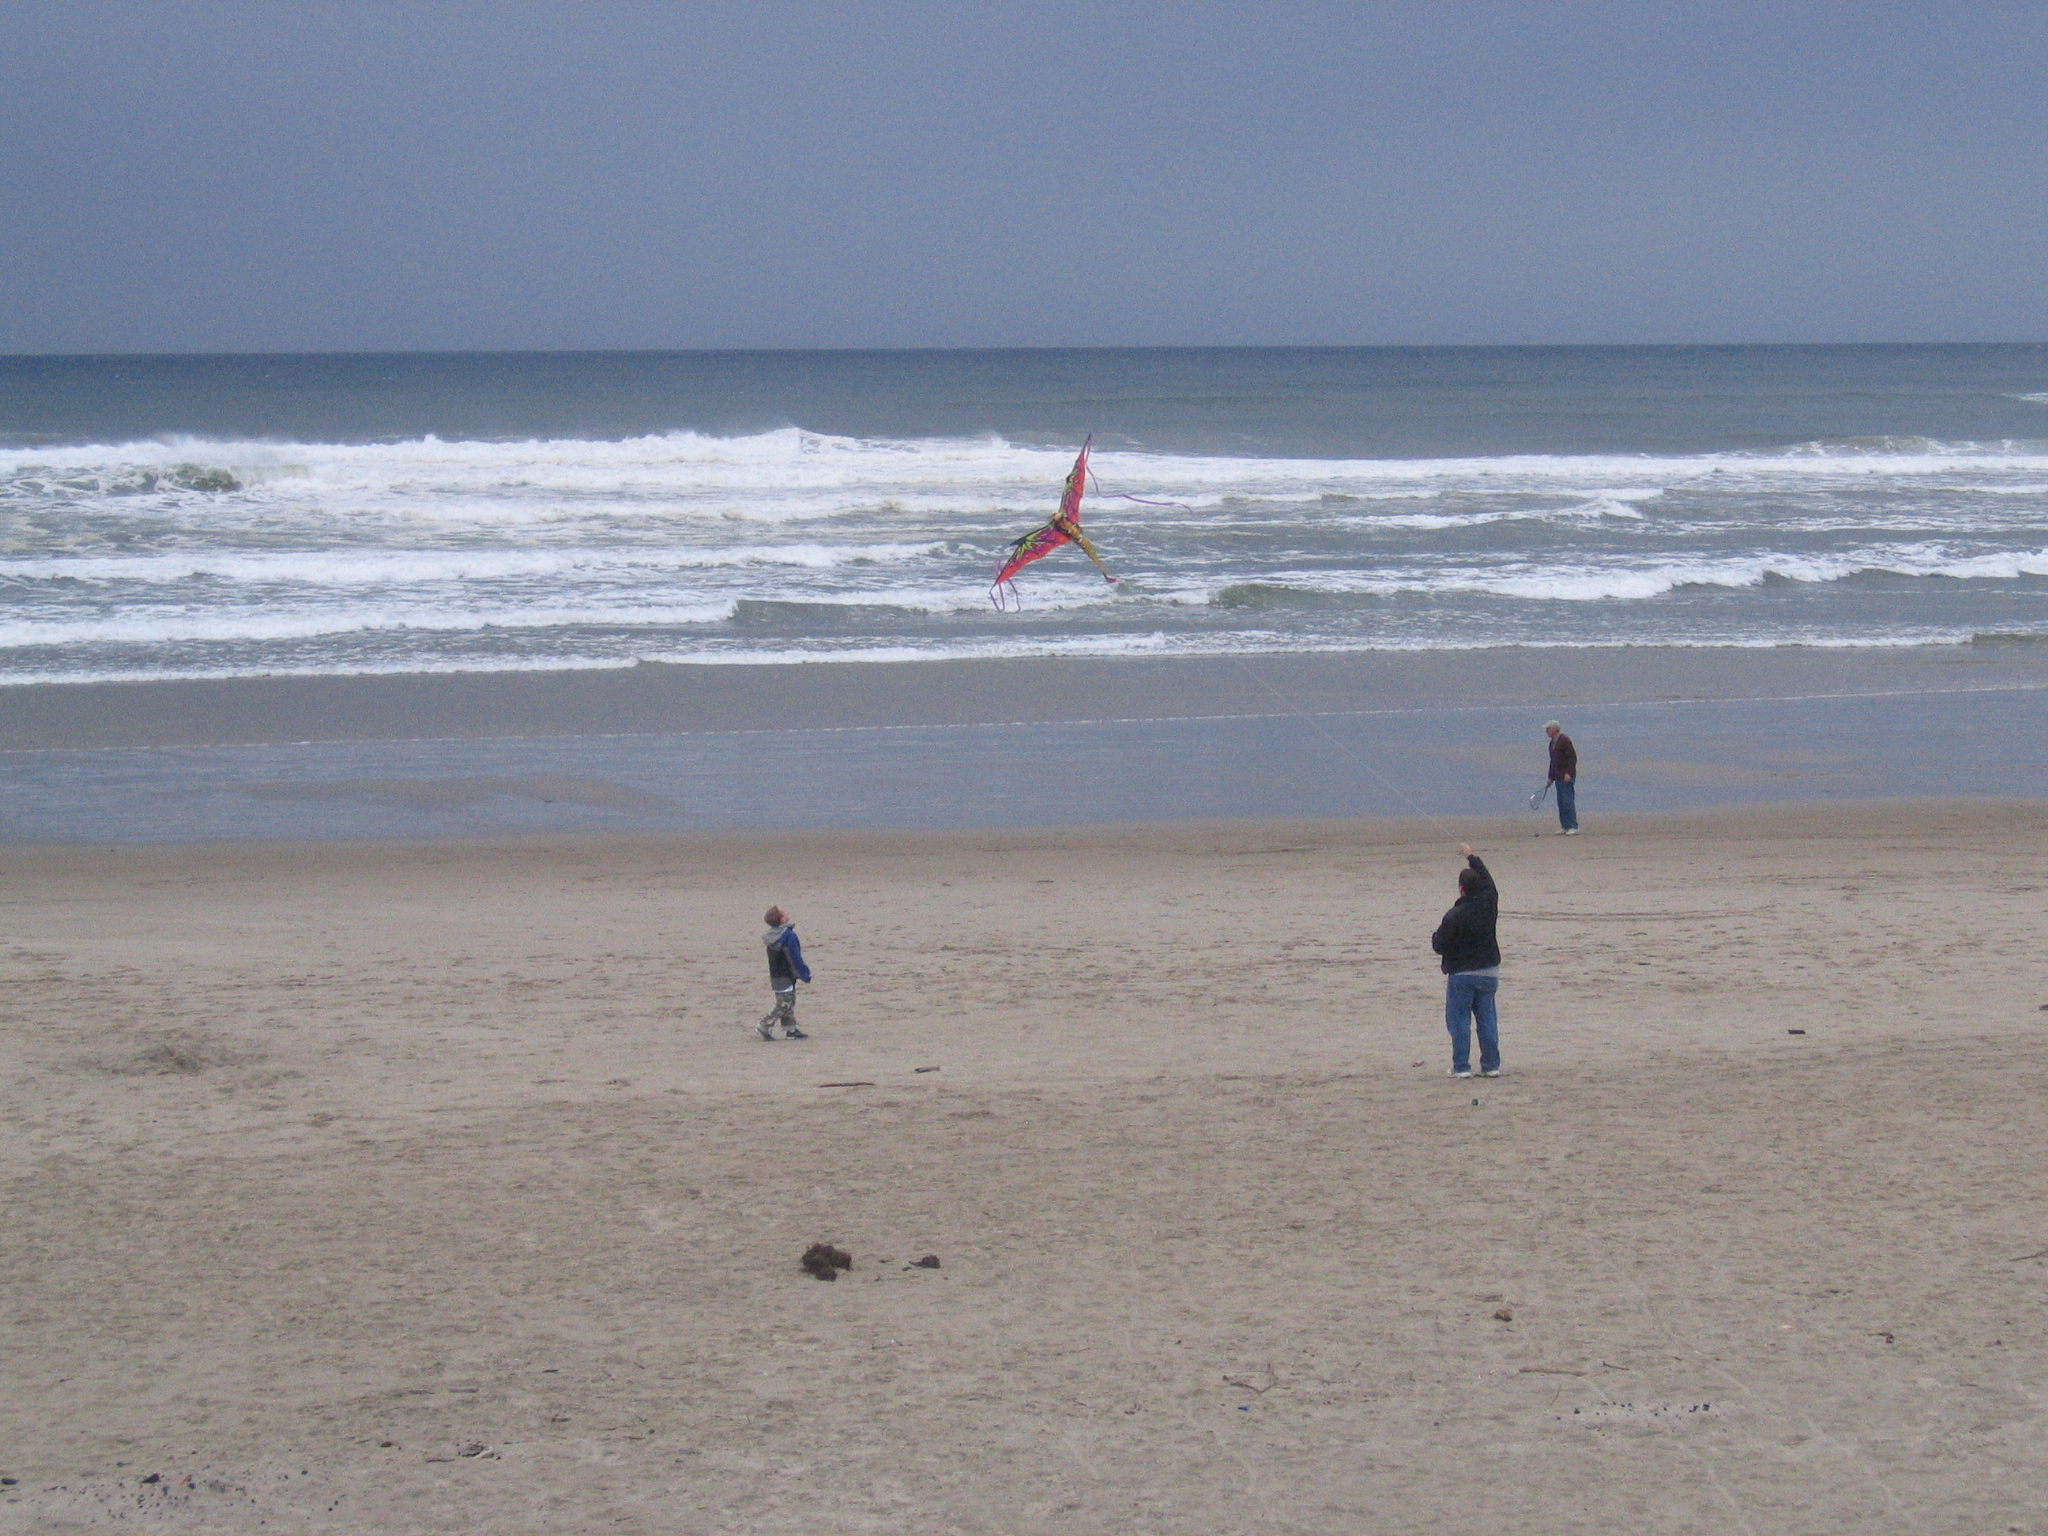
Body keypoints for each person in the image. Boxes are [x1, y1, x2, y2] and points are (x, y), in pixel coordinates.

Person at [1431, 843, 1501, 1079]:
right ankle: (1491, 1065)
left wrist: (1471, 858)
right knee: (1487, 1019)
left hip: (1463, 975)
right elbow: (1489, 881)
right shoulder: (1489, 903)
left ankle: (1462, 1067)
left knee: (1459, 1021)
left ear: (1461, 889)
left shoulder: (1455, 915)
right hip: (1488, 972)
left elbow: (1438, 945)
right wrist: (1472, 856)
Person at [757, 905, 812, 1040]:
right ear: (781, 920)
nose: (788, 913)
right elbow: (794, 957)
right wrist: (804, 973)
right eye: (784, 912)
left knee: (789, 1001)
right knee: (784, 1003)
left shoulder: (772, 936)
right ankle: (765, 1025)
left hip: (776, 973)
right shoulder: (788, 936)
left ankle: (790, 1029)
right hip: (786, 973)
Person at [1544, 720, 1579, 835]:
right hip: (1558, 777)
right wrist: (1550, 777)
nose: (1546, 731)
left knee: (1568, 801)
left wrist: (1568, 773)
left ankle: (1573, 826)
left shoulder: (1564, 740)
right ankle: (1565, 825)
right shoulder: (1552, 743)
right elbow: (1553, 762)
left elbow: (1572, 758)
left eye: (1548, 728)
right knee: (1561, 802)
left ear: (1555, 729)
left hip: (1566, 776)